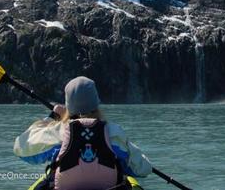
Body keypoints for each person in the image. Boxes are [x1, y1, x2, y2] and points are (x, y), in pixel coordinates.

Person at [14, 76, 152, 190]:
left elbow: (21, 148)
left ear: (68, 107)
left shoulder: (58, 131)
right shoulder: (115, 132)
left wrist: (52, 117)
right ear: (96, 104)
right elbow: (143, 169)